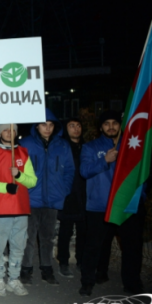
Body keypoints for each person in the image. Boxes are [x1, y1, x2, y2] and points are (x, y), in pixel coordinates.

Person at [79, 111, 145, 296]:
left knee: (132, 247)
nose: (111, 126)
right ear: (101, 127)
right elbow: (84, 171)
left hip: (127, 206)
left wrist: (141, 195)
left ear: (120, 125)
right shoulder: (91, 147)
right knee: (93, 246)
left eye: (115, 123)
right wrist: (104, 161)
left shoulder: (133, 146)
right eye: (106, 123)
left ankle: (132, 284)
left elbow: (143, 172)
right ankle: (87, 282)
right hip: (100, 206)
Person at [0, 124, 37, 297]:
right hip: (0, 209)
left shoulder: (23, 154)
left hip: (21, 209)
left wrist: (19, 176)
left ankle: (14, 278)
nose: (9, 133)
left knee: (19, 246)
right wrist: (5, 187)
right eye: (5, 129)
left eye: (12, 130)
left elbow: (32, 181)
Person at [19, 109, 75, 286]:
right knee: (28, 237)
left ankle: (47, 269)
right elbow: (18, 170)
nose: (48, 128)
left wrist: (63, 190)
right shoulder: (26, 144)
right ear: (37, 126)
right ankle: (26, 269)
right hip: (30, 199)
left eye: (51, 125)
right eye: (44, 124)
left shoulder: (63, 145)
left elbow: (70, 171)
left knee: (48, 237)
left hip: (52, 200)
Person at [57, 118, 87, 278]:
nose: (76, 129)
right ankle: (63, 261)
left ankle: (81, 261)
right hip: (68, 194)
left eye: (78, 125)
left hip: (85, 195)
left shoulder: (87, 147)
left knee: (84, 231)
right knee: (66, 231)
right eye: (72, 126)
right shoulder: (62, 147)